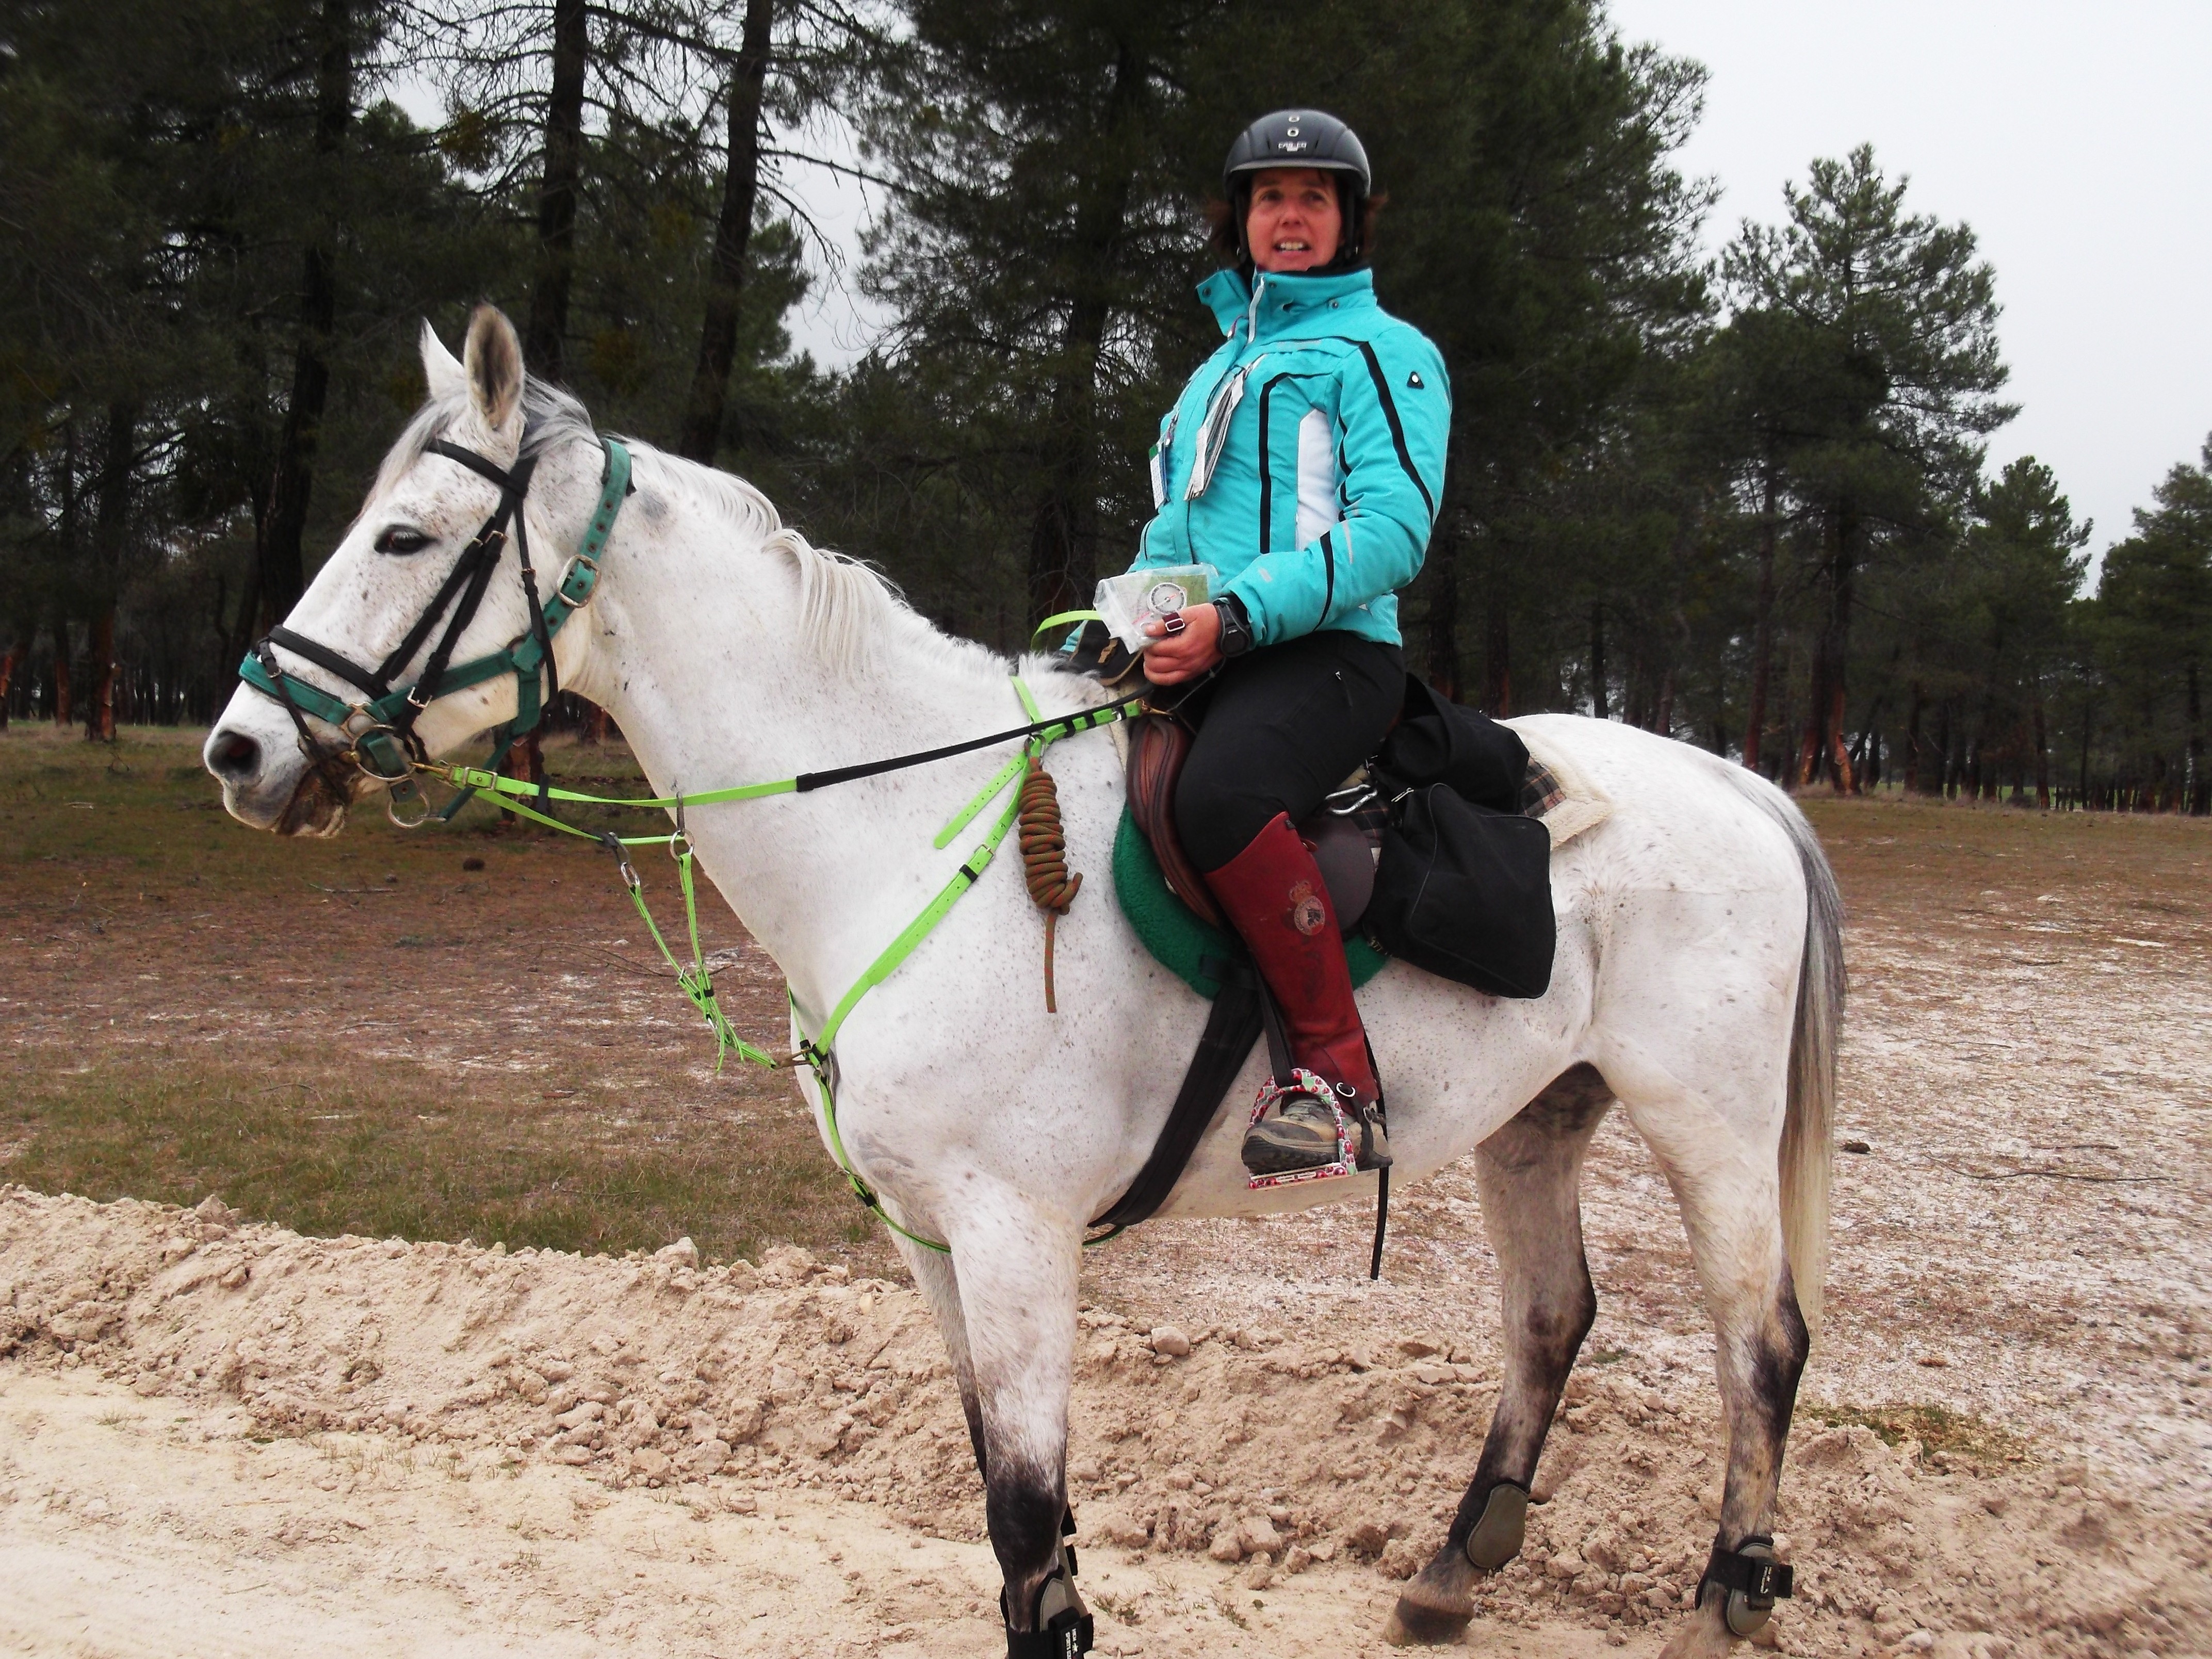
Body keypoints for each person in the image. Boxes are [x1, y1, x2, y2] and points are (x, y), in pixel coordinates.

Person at [1127, 109, 1450, 1179]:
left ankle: (1337, 1083)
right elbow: (1173, 533)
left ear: (1347, 220)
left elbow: (1392, 528)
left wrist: (1238, 617)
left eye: (1314, 197)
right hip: (1214, 646)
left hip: (1330, 654)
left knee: (1218, 795)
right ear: (1244, 222)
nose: (1291, 216)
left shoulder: (1385, 354)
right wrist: (1134, 620)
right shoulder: (1211, 372)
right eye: (1271, 198)